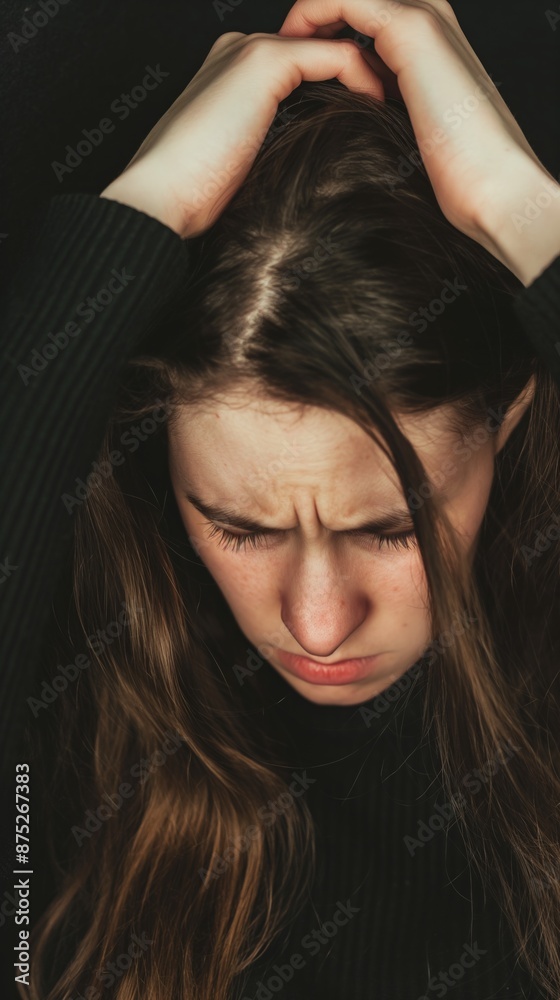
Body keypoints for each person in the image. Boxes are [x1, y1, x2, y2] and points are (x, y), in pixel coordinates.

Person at [2, 1, 560, 998]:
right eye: (237, 525)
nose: (316, 620)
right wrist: (135, 219)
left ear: (509, 423)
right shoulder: (64, 720)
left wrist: (525, 212)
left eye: (391, 529)